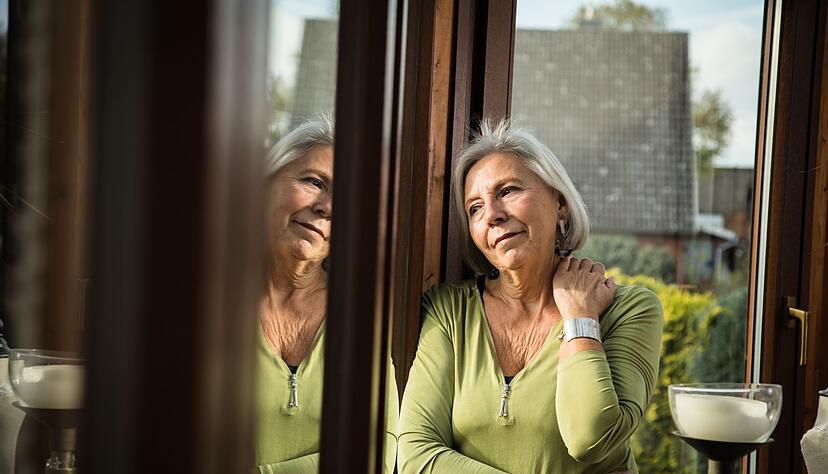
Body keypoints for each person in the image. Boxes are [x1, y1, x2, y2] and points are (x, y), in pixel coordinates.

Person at [398, 120, 663, 473]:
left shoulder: (629, 309)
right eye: (474, 208)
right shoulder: (450, 311)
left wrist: (580, 320)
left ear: (561, 206)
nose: (492, 214)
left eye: (507, 191)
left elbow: (590, 439)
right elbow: (417, 453)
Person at [256, 117, 398, 473]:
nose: (327, 206)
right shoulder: (207, 302)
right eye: (314, 182)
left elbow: (377, 452)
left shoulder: (361, 317)